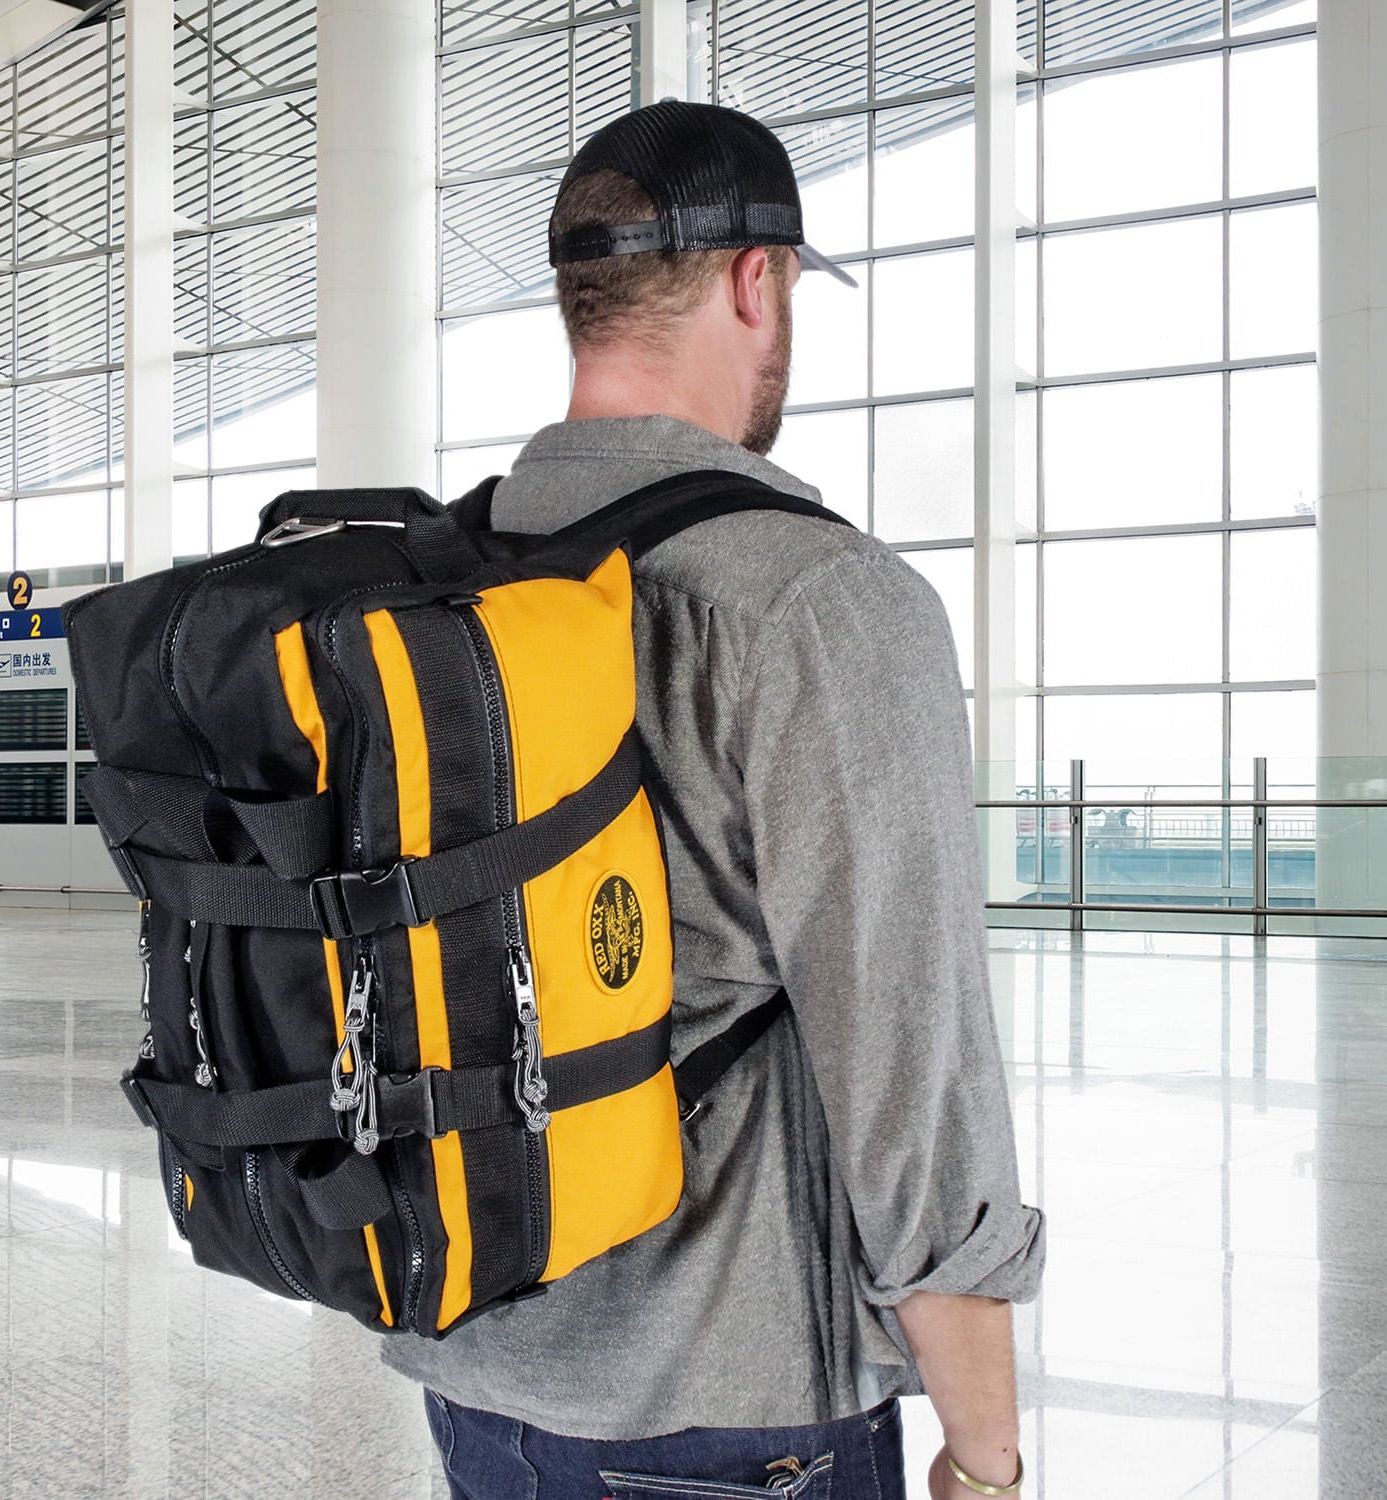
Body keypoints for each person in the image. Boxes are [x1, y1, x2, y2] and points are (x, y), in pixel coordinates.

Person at [381, 99, 1046, 1500]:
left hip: (474, 1384)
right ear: (759, 280)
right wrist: (986, 1457)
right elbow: (914, 1086)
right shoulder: (820, 601)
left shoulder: (437, 584)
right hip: (733, 1418)